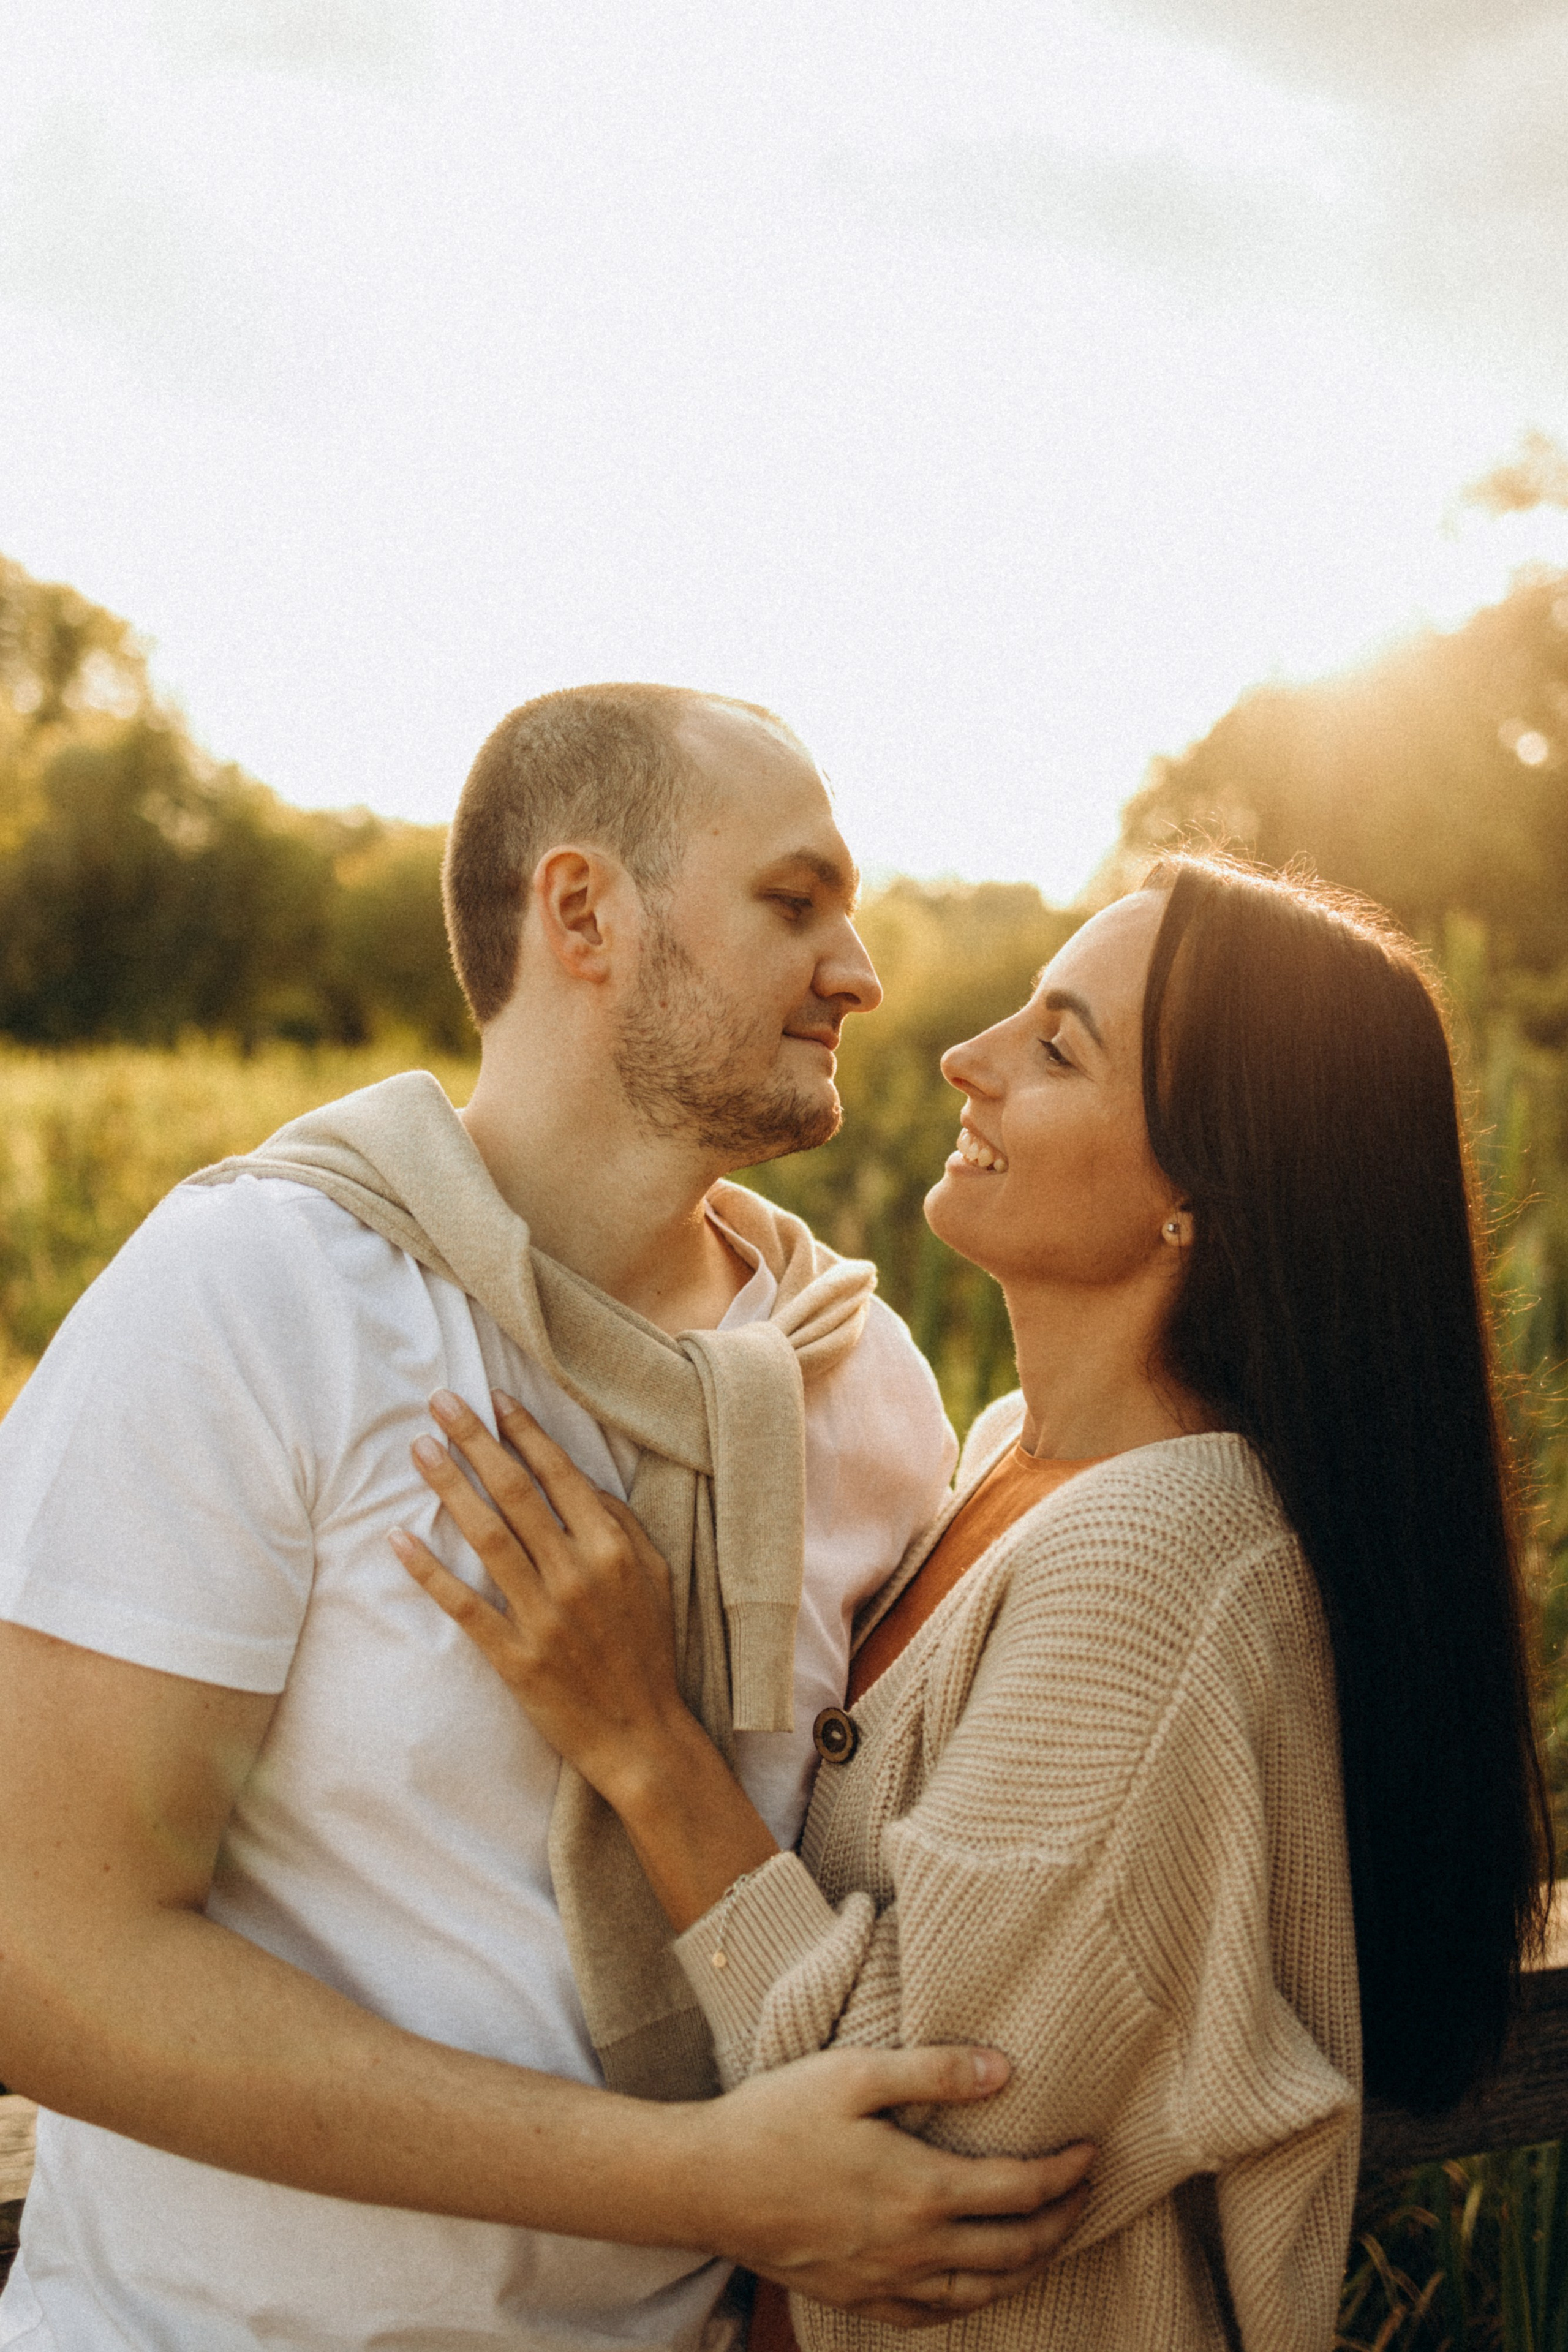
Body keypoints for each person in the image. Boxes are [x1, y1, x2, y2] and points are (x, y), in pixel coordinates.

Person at [0, 684, 1094, 2352]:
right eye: (793, 902)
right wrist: (697, 2184)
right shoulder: (260, 1297)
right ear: (583, 912)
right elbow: (43, 1953)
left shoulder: (861, 1383)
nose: (862, 972)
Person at [397, 854, 1555, 2352]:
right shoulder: (1017, 1452)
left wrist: (639, 1737)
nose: (964, 1057)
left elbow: (911, 2155)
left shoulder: (1162, 1562)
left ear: (1199, 1195)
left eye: (1055, 1048)